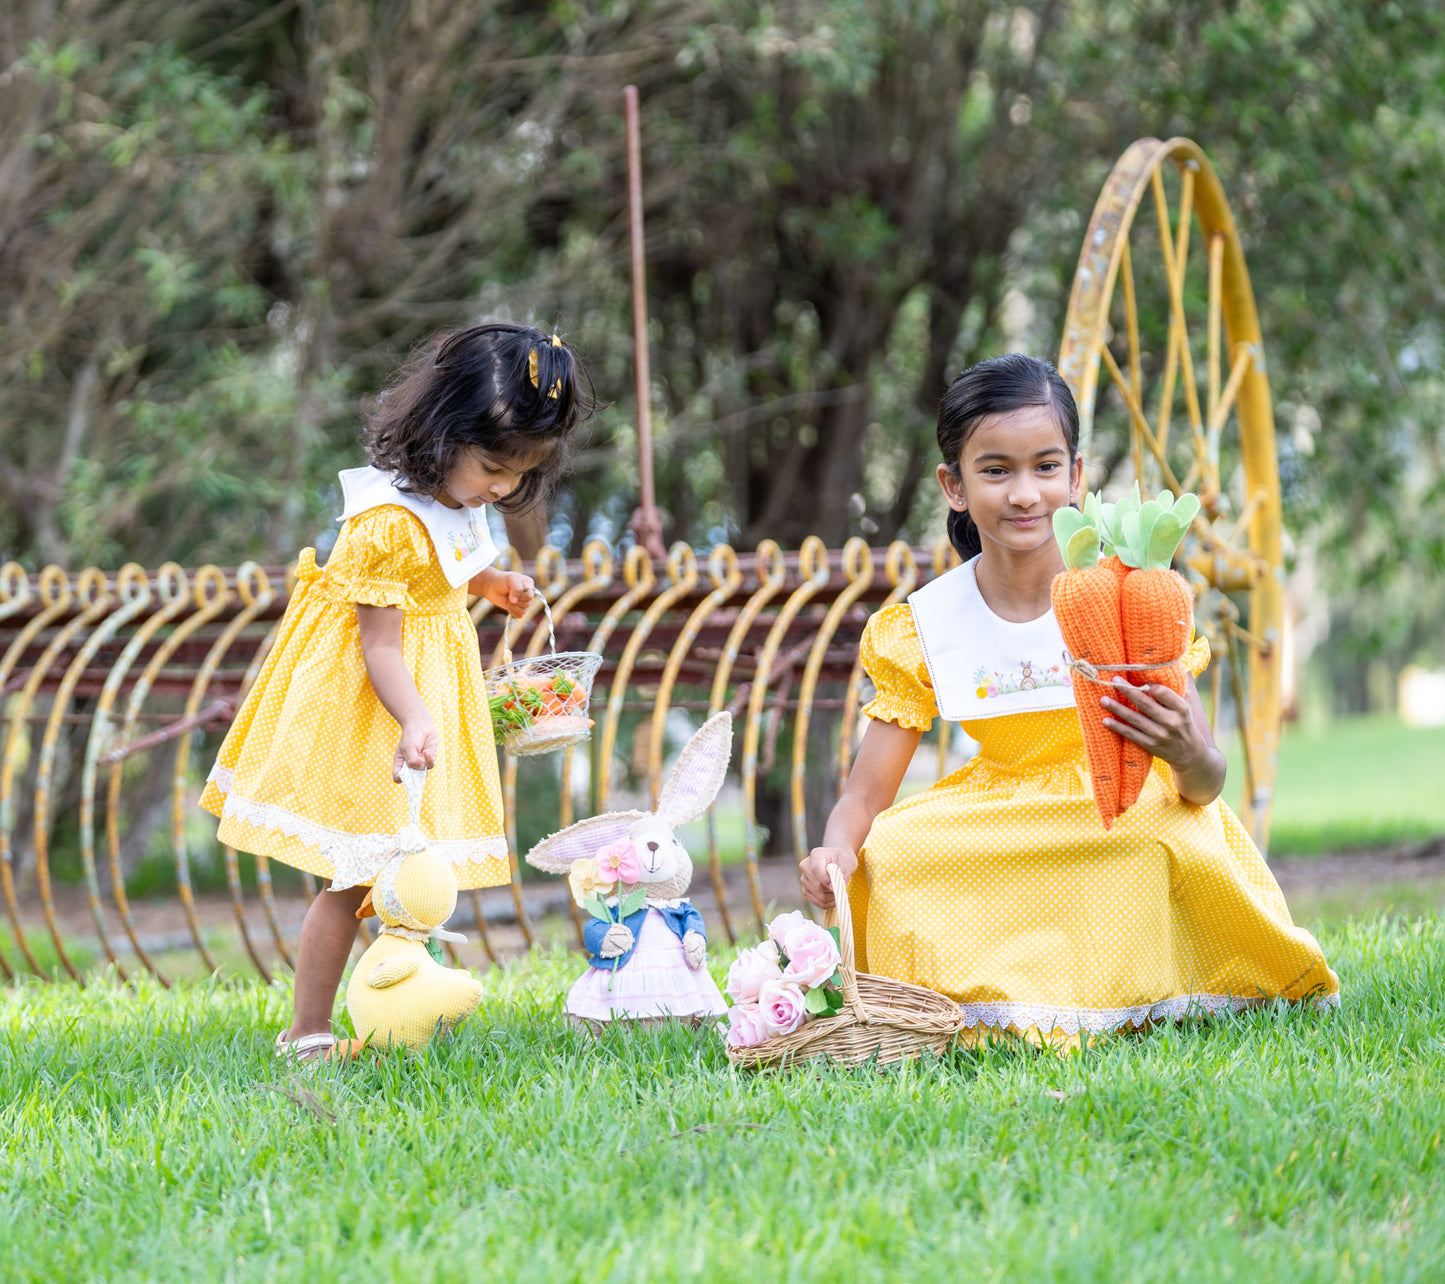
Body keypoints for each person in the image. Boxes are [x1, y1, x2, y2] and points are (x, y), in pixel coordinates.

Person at [799, 353, 1338, 1046]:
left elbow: (1204, 785)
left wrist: (1184, 751)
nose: (1024, 493)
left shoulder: (1133, 594)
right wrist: (835, 851)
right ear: (953, 485)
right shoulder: (928, 623)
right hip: (999, 811)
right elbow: (865, 800)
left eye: (1045, 467)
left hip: (1118, 805)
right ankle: (969, 1010)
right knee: (895, 848)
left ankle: (1149, 989)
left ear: (1076, 476)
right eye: (995, 470)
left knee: (1165, 833)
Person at [201, 323, 592, 1060]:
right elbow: (378, 644)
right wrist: (414, 715)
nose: (503, 488)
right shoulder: (383, 519)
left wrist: (492, 581)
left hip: (425, 691)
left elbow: (448, 561)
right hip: (379, 703)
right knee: (356, 875)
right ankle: (307, 1031)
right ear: (443, 429)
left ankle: (402, 1012)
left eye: (519, 475)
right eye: (493, 469)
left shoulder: (457, 491)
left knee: (413, 869)